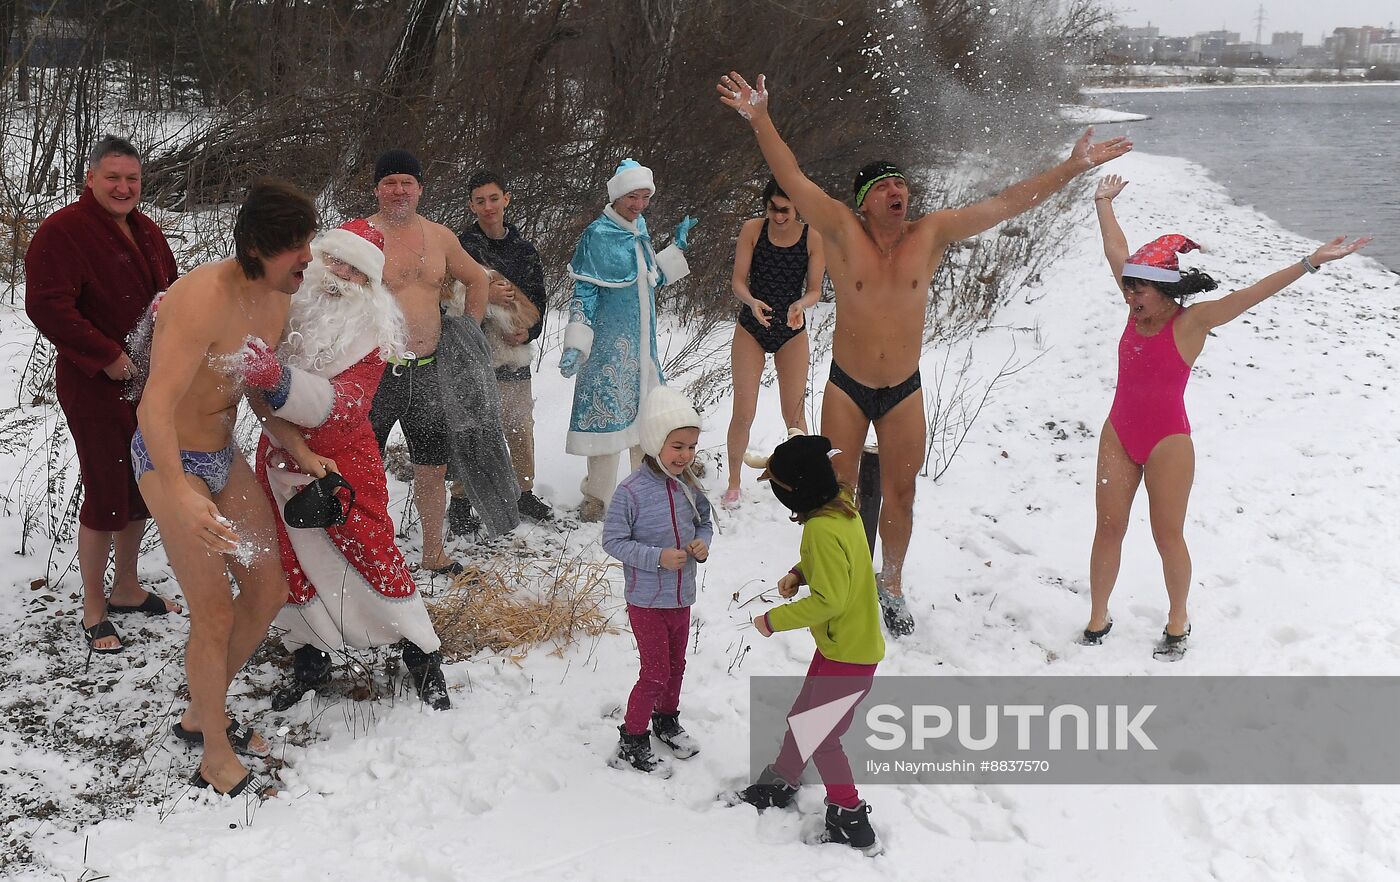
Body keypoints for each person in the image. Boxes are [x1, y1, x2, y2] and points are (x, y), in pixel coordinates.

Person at [718, 71, 1131, 637]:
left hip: (903, 389)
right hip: (846, 384)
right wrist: (760, 117)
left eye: (903, 185)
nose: (899, 192)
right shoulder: (840, 231)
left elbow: (1007, 203)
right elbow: (790, 175)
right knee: (834, 496)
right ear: (865, 202)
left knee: (902, 494)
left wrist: (1071, 166)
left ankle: (890, 583)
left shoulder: (930, 234)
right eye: (886, 188)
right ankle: (839, 578)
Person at [1082, 175, 1370, 661]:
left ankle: (1177, 620)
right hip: (1118, 432)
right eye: (1128, 288)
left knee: (1165, 534)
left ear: (1167, 290)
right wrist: (1103, 202)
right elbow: (1117, 250)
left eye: (1140, 290)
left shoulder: (1192, 322)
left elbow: (1253, 295)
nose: (1130, 297)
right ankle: (1097, 616)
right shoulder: (1135, 310)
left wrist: (1310, 262)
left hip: (1168, 441)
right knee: (1108, 527)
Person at [134, 178, 318, 798]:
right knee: (212, 610)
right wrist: (180, 492)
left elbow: (255, 386)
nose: (308, 259)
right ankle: (214, 751)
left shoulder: (276, 297)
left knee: (267, 588)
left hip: (220, 454)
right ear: (259, 247)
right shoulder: (199, 299)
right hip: (167, 462)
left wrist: (292, 439)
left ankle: (200, 707)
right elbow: (152, 409)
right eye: (298, 247)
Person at [248, 219, 450, 711]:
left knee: (373, 553)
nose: (341, 276)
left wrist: (279, 382)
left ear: (371, 285)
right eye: (335, 261)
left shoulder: (373, 335)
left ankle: (422, 654)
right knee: (290, 560)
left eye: (356, 272)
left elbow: (347, 406)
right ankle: (310, 656)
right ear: (318, 261)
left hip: (345, 463)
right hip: (277, 458)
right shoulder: (282, 308)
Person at [24, 135, 181, 654]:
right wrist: (105, 354)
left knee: (142, 482)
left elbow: (172, 297)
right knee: (104, 488)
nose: (123, 187)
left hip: (149, 385)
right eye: (112, 177)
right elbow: (46, 305)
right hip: (95, 384)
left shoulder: (147, 231)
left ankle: (127, 587)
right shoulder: (63, 231)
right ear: (90, 179)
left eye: (132, 179)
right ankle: (94, 606)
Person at [732, 431, 885, 857]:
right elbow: (840, 562)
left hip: (849, 655)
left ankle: (850, 815)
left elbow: (830, 599)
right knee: (805, 716)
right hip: (844, 646)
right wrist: (800, 573)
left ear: (795, 494)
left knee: (823, 736)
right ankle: (782, 778)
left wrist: (774, 620)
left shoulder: (821, 527)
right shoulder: (843, 509)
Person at [364, 149, 491, 575]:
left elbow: (476, 279)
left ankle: (433, 552)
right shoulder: (361, 236)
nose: (398, 190)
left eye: (407, 183)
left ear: (420, 189)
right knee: (365, 469)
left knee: (432, 468)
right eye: (390, 182)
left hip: (429, 372)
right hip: (377, 373)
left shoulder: (440, 237)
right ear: (377, 188)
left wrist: (465, 335)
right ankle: (370, 553)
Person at [560, 158, 698, 522]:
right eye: (632, 198)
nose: (638, 205)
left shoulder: (640, 230)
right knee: (607, 425)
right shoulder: (598, 235)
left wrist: (675, 250)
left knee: (647, 423)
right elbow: (586, 292)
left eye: (644, 198)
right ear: (617, 196)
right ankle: (596, 501)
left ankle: (647, 493)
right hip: (609, 349)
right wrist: (577, 341)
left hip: (643, 350)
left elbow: (651, 281)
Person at [601, 385, 712, 777]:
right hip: (647, 600)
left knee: (676, 665)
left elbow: (705, 522)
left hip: (681, 598)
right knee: (654, 672)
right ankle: (631, 738)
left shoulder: (690, 486)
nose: (685, 456)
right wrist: (657, 559)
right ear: (654, 443)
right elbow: (612, 541)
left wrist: (702, 543)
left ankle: (665, 720)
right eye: (677, 446)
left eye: (691, 448)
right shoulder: (631, 491)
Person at [455, 169, 553, 523]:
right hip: (474, 352)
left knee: (518, 425)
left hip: (513, 352)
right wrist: (485, 293)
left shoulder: (524, 250)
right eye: (480, 200)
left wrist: (530, 333)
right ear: (471, 205)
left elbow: (540, 302)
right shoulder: (463, 246)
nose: (488, 206)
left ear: (506, 199)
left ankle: (524, 493)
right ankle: (461, 501)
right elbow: (449, 298)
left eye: (494, 198)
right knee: (472, 426)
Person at [723, 177, 826, 509]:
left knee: (794, 414)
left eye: (785, 210)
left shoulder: (813, 237)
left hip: (791, 329)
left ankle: (809, 485)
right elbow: (738, 280)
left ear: (798, 207)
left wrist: (801, 305)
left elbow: (814, 289)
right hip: (752, 325)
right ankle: (734, 481)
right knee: (744, 411)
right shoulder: (753, 229)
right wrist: (751, 301)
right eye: (772, 209)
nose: (778, 216)